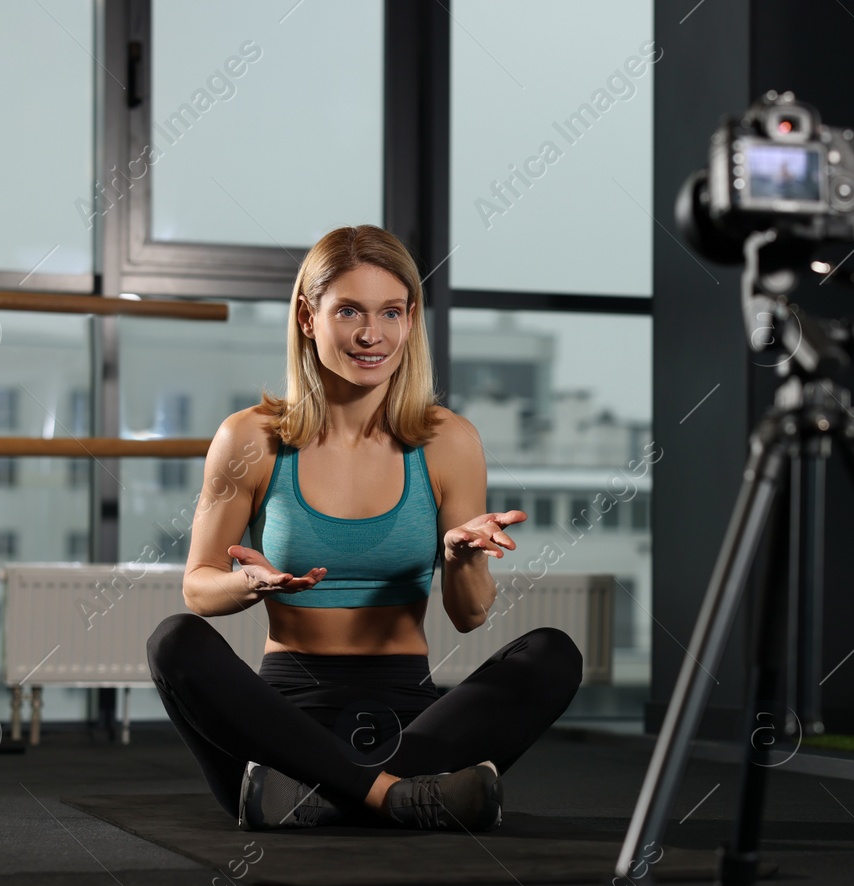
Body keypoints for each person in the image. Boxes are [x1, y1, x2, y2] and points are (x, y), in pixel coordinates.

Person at [146, 225, 584, 833]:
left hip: (409, 717)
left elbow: (470, 615)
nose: (371, 334)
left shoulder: (448, 441)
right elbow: (197, 586)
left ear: (410, 321)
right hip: (281, 717)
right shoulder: (249, 438)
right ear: (307, 317)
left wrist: (461, 561)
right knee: (173, 642)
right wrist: (248, 584)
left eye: (390, 312)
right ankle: (402, 798)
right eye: (349, 310)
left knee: (553, 656)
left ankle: (326, 794)